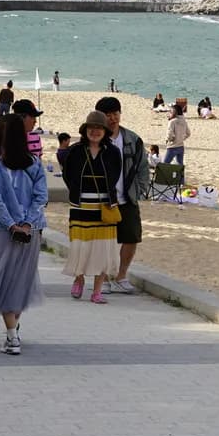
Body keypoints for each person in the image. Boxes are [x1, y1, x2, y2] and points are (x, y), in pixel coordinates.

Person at [0, 114, 47, 355]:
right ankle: (14, 328)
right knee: (21, 279)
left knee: (3, 280)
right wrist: (28, 223)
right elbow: (41, 197)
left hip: (2, 231)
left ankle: (12, 335)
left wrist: (12, 225)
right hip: (32, 231)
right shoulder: (35, 163)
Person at [60, 111, 122, 302]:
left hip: (104, 206)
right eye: (91, 128)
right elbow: (67, 175)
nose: (94, 132)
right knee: (80, 246)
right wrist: (76, 191)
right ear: (85, 130)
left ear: (104, 131)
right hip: (81, 206)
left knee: (103, 249)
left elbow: (116, 174)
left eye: (99, 128)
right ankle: (78, 279)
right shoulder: (75, 151)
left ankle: (97, 291)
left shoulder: (112, 152)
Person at [97, 95, 150, 293]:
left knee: (131, 237)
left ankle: (121, 275)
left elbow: (142, 167)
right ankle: (102, 278)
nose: (112, 118)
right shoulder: (96, 139)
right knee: (103, 241)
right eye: (108, 115)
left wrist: (139, 190)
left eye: (115, 113)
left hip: (127, 197)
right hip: (103, 199)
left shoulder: (132, 139)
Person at [11, 99, 45, 165]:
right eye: (32, 117)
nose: (35, 121)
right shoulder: (7, 137)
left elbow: (39, 162)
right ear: (21, 117)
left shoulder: (35, 137)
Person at [164, 99, 190, 169]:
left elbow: (169, 133)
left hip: (172, 146)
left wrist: (169, 140)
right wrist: (181, 138)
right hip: (181, 146)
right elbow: (188, 133)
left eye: (171, 111)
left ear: (174, 112)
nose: (170, 113)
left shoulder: (172, 122)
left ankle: (162, 180)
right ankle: (181, 180)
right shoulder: (184, 121)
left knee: (164, 165)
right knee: (180, 166)